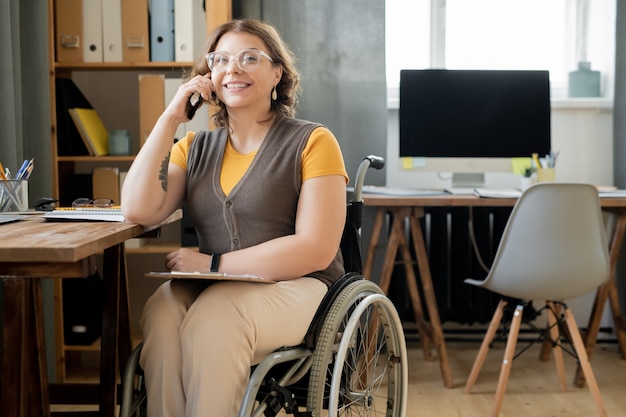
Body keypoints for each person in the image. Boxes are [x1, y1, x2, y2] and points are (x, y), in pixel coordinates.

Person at [121, 19, 348, 417]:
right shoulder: (193, 147)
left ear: (277, 72)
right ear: (209, 75)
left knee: (216, 316)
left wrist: (213, 264)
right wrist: (171, 118)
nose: (233, 68)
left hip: (300, 287)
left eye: (249, 58)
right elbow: (138, 210)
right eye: (221, 60)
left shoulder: (313, 141)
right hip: (218, 287)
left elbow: (316, 248)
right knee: (162, 308)